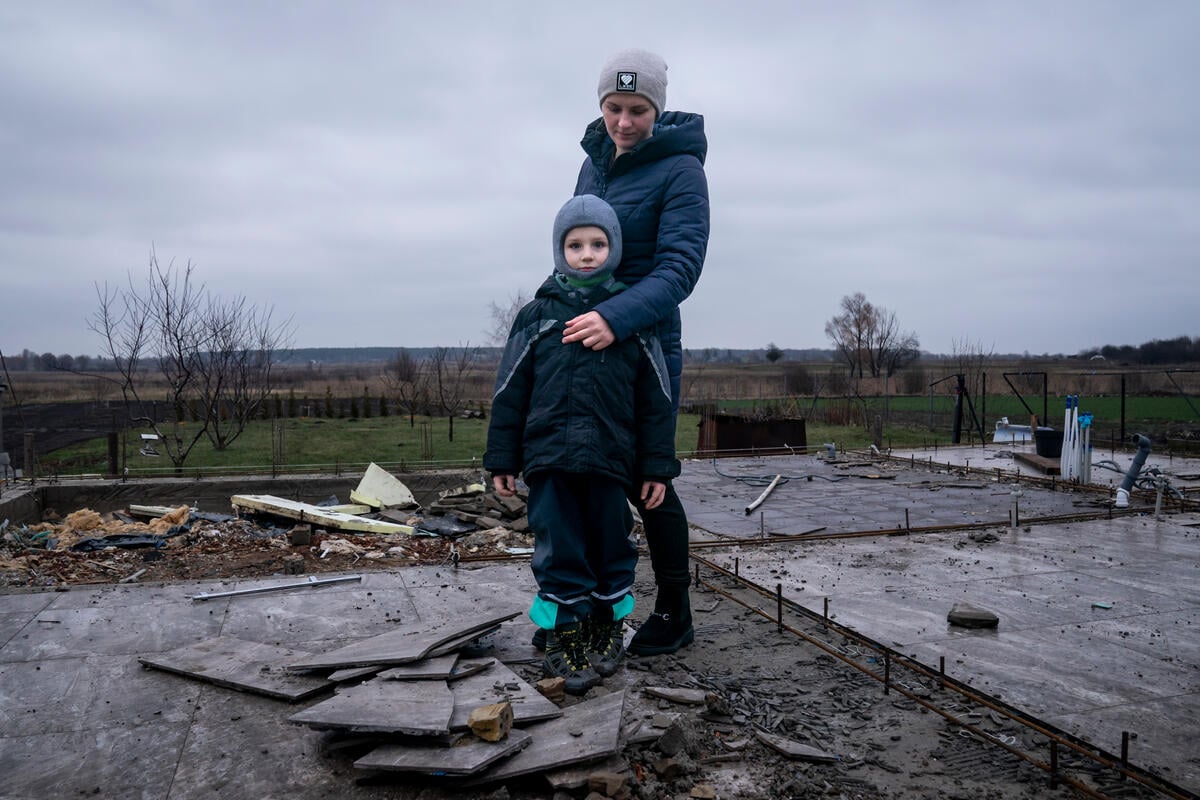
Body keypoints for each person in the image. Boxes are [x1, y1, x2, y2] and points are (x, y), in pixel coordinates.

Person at [485, 194, 681, 694]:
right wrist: (503, 458)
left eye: (598, 243)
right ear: (559, 250)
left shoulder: (631, 318)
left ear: (613, 249)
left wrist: (656, 467)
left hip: (611, 460)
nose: (587, 254)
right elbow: (510, 391)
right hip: (549, 458)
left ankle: (606, 625)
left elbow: (656, 400)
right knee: (559, 547)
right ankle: (563, 634)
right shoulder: (538, 316)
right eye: (575, 244)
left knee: (612, 544)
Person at [560, 47, 710, 656]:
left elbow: (679, 270)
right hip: (586, 340)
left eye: (639, 109)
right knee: (588, 469)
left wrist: (614, 318)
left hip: (642, 344)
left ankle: (675, 612)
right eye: (615, 107)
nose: (625, 121)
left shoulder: (682, 171)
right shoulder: (591, 166)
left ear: (658, 109)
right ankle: (595, 602)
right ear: (602, 106)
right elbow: (573, 246)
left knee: (650, 478)